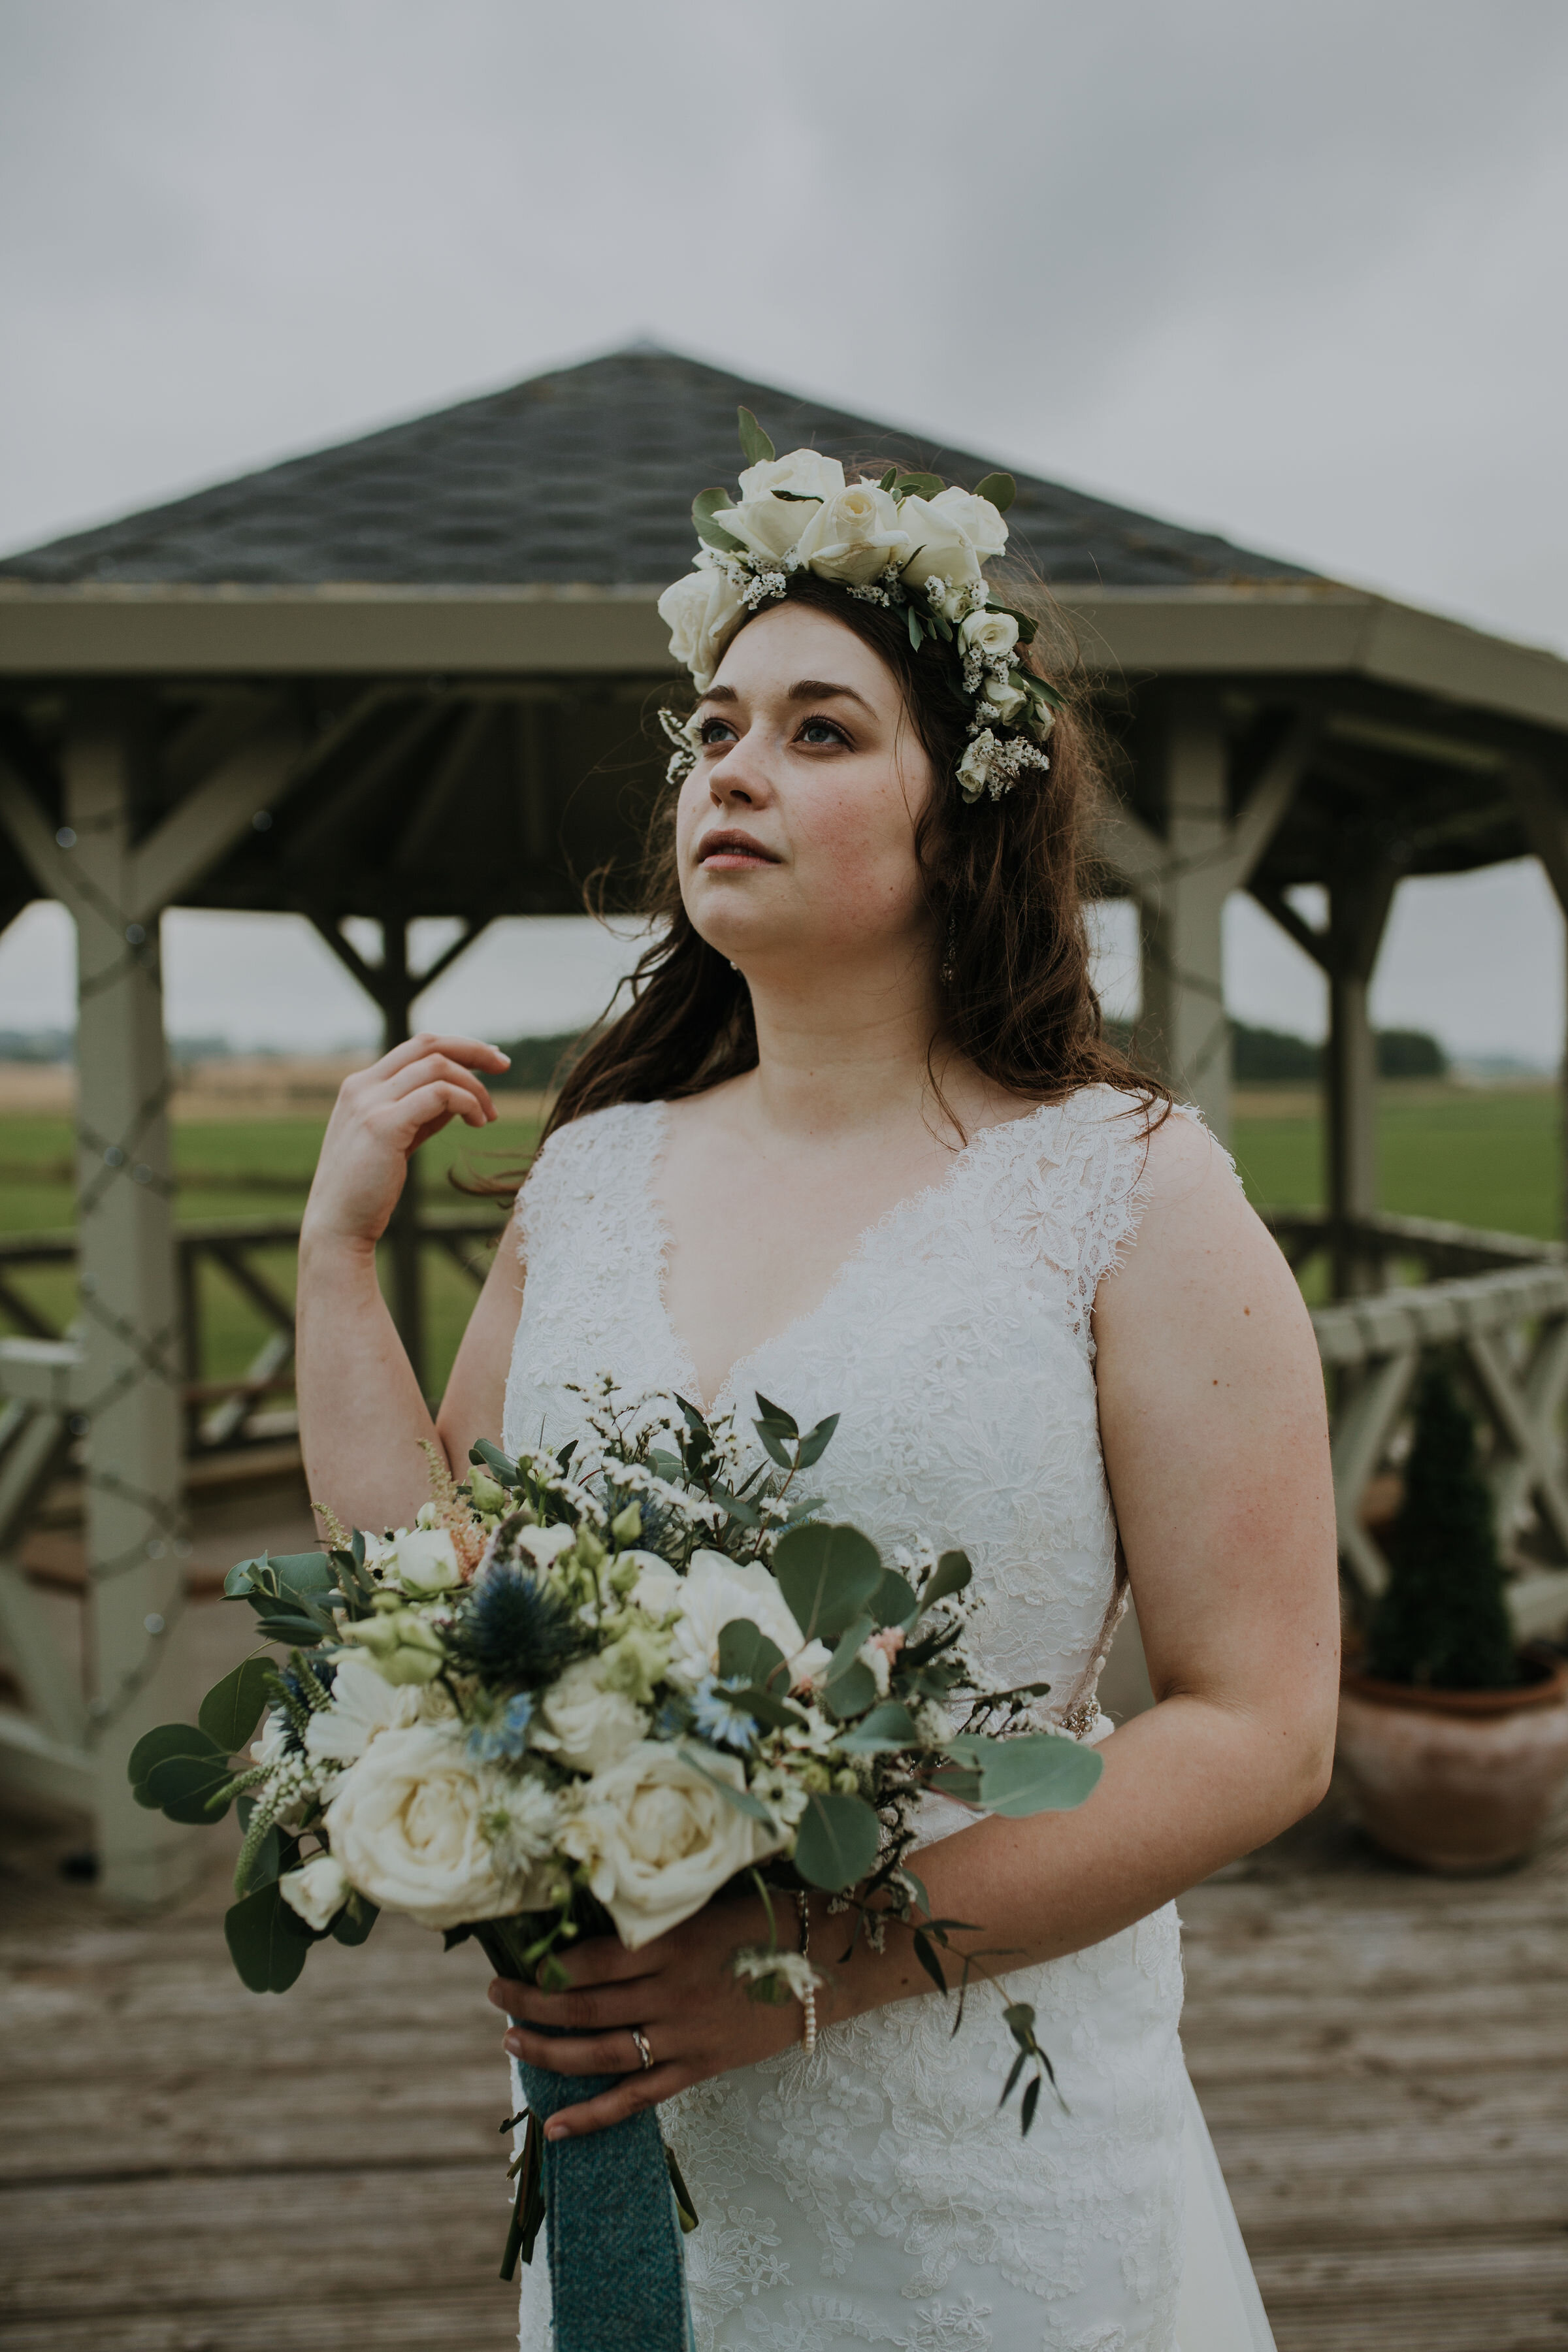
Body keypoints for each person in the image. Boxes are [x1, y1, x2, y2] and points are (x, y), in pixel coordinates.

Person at [296, 436, 1339, 2352]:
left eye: (820, 731)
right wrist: (335, 1266)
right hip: (639, 2138)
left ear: (970, 815)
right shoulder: (596, 1171)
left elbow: (1264, 1728)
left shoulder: (1127, 1183)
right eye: (712, 731)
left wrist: (799, 1963)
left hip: (986, 2157)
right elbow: (431, 1597)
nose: (734, 769)